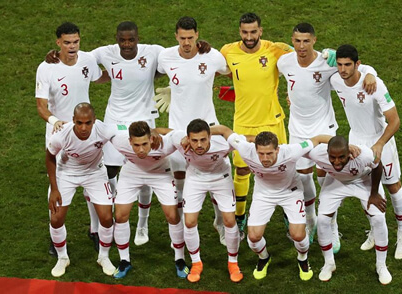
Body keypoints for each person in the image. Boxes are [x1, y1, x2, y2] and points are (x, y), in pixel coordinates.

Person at [45, 21, 164, 247]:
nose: (127, 44)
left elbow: (179, 57)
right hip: (115, 120)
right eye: (122, 40)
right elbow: (75, 56)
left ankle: (142, 225)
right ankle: (102, 222)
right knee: (107, 171)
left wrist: (202, 46)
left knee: (146, 168)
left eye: (131, 39)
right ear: (116, 39)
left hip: (144, 119)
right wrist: (56, 55)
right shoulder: (104, 53)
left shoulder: (154, 51)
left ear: (138, 38)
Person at [277, 22, 379, 251]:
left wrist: (371, 73)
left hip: (324, 129)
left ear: (314, 40)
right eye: (297, 41)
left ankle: (332, 225)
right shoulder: (284, 62)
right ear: (291, 41)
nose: (301, 46)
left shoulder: (327, 61)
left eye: (306, 41)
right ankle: (312, 220)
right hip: (297, 130)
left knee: (325, 177)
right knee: (303, 177)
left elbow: (354, 67)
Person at [212, 124, 333, 281]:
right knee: (253, 238)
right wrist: (190, 137)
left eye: (269, 153)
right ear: (255, 150)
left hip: (291, 192)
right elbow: (224, 130)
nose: (265, 158)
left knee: (298, 234)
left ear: (278, 149)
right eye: (261, 154)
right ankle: (264, 257)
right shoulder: (245, 149)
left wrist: (347, 146)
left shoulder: (291, 151)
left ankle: (302, 259)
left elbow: (317, 139)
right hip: (264, 194)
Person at [36, 22, 108, 256]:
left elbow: (100, 78)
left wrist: (128, 74)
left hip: (86, 132)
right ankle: (55, 236)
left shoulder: (87, 60)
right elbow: (41, 106)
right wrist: (54, 120)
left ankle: (95, 230)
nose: (72, 46)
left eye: (75, 41)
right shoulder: (46, 68)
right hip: (59, 135)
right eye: (67, 42)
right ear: (58, 43)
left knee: (92, 183)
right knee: (56, 186)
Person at [330, 44, 402, 259]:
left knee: (392, 186)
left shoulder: (375, 85)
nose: (343, 69)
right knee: (366, 189)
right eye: (339, 65)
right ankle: (374, 230)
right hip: (356, 140)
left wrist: (381, 143)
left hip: (380, 139)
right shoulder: (336, 80)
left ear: (357, 64)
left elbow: (395, 121)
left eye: (348, 65)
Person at [157, 16, 230, 245]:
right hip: (179, 129)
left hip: (209, 129)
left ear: (197, 35)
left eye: (190, 37)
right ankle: (179, 229)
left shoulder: (213, 56)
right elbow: (156, 70)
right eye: (182, 38)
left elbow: (229, 71)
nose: (186, 42)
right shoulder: (165, 57)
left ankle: (220, 222)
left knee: (216, 176)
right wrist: (173, 88)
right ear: (175, 37)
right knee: (179, 179)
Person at [220, 13, 293, 238]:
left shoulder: (276, 49)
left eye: (253, 32)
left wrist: (293, 90)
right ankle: (240, 217)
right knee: (242, 170)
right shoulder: (227, 52)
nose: (249, 36)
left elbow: (306, 58)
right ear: (239, 32)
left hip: (272, 120)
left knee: (282, 167)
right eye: (245, 32)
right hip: (243, 122)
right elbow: (205, 66)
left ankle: (289, 215)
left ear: (260, 30)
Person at [306, 136, 392, 284]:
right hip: (336, 182)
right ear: (327, 152)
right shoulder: (316, 153)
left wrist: (374, 194)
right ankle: (329, 264)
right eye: (332, 157)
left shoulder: (363, 154)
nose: (337, 161)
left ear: (349, 153)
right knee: (322, 220)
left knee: (378, 218)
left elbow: (378, 166)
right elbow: (310, 141)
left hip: (363, 181)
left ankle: (381, 266)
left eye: (341, 157)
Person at [109, 121, 188, 279]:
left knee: (172, 215)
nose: (141, 149)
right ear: (129, 141)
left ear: (151, 139)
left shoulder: (164, 143)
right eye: (136, 145)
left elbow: (180, 135)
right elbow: (101, 130)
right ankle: (125, 260)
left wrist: (175, 135)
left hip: (161, 174)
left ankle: (180, 259)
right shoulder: (119, 140)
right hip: (131, 173)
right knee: (120, 216)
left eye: (144, 144)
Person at [46, 103, 116, 277]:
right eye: (79, 123)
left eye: (88, 123)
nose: (83, 127)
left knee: (107, 218)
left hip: (94, 173)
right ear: (73, 121)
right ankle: (62, 258)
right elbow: (49, 156)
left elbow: (127, 129)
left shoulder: (105, 129)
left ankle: (104, 257)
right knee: (56, 218)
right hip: (66, 173)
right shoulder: (62, 134)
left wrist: (153, 132)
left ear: (94, 121)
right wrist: (54, 189)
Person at [169, 119, 242, 283]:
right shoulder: (180, 141)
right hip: (195, 179)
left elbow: (240, 137)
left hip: (221, 178)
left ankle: (233, 262)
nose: (199, 144)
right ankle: (196, 262)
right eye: (194, 140)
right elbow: (166, 132)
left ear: (210, 137)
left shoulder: (224, 145)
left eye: (203, 139)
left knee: (230, 221)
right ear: (187, 138)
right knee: (189, 222)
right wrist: (153, 133)